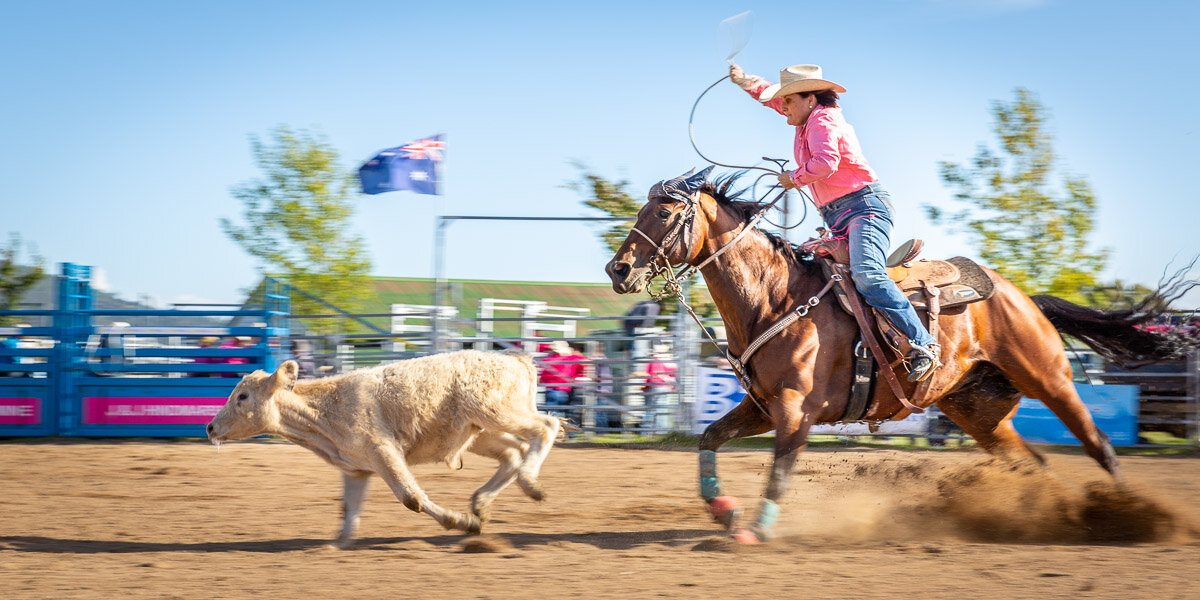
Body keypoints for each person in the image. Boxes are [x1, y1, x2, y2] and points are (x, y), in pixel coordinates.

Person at [729, 62, 941, 381]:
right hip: (841, 214)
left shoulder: (823, 120)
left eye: (789, 101)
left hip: (864, 208)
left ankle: (923, 344)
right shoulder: (807, 117)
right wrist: (746, 81)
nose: (782, 107)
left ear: (810, 99)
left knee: (868, 275)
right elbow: (772, 98)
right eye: (782, 101)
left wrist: (793, 178)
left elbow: (827, 162)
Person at [634, 343, 678, 431]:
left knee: (649, 410)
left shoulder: (654, 361)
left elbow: (649, 375)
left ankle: (646, 431)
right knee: (660, 410)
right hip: (662, 387)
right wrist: (673, 385)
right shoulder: (668, 362)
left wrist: (644, 386)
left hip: (653, 386)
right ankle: (660, 431)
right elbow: (674, 375)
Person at [538, 340, 583, 419]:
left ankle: (554, 430)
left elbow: (542, 378)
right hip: (566, 391)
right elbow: (582, 364)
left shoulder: (546, 361)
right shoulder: (571, 359)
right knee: (568, 414)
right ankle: (569, 430)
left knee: (551, 415)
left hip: (551, 390)